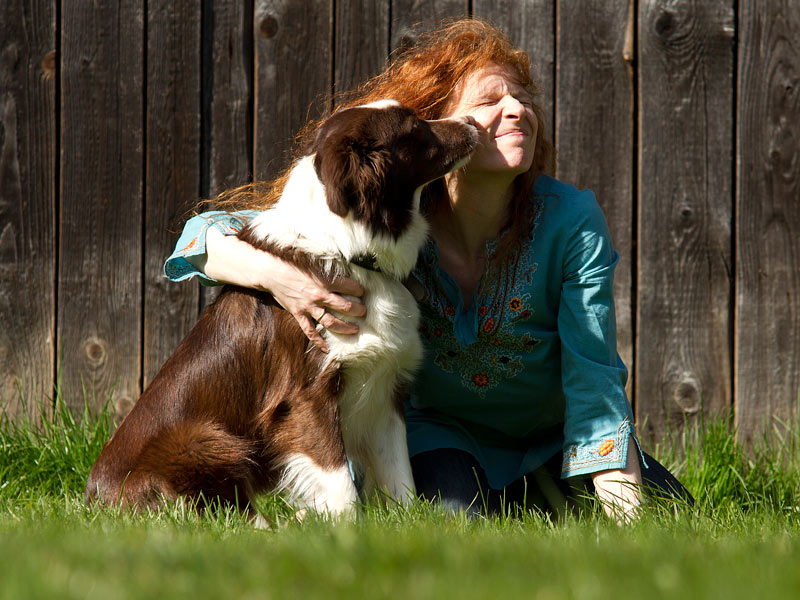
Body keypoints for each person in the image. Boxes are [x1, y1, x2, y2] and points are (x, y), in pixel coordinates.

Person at [165, 19, 692, 520]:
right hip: (441, 443)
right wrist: (284, 280)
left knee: (676, 516)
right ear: (439, 127)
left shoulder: (571, 222)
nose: (517, 111)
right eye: (489, 101)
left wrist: (627, 518)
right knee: (454, 522)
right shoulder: (390, 222)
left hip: (554, 442)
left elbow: (593, 379)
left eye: (525, 100)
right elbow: (201, 234)